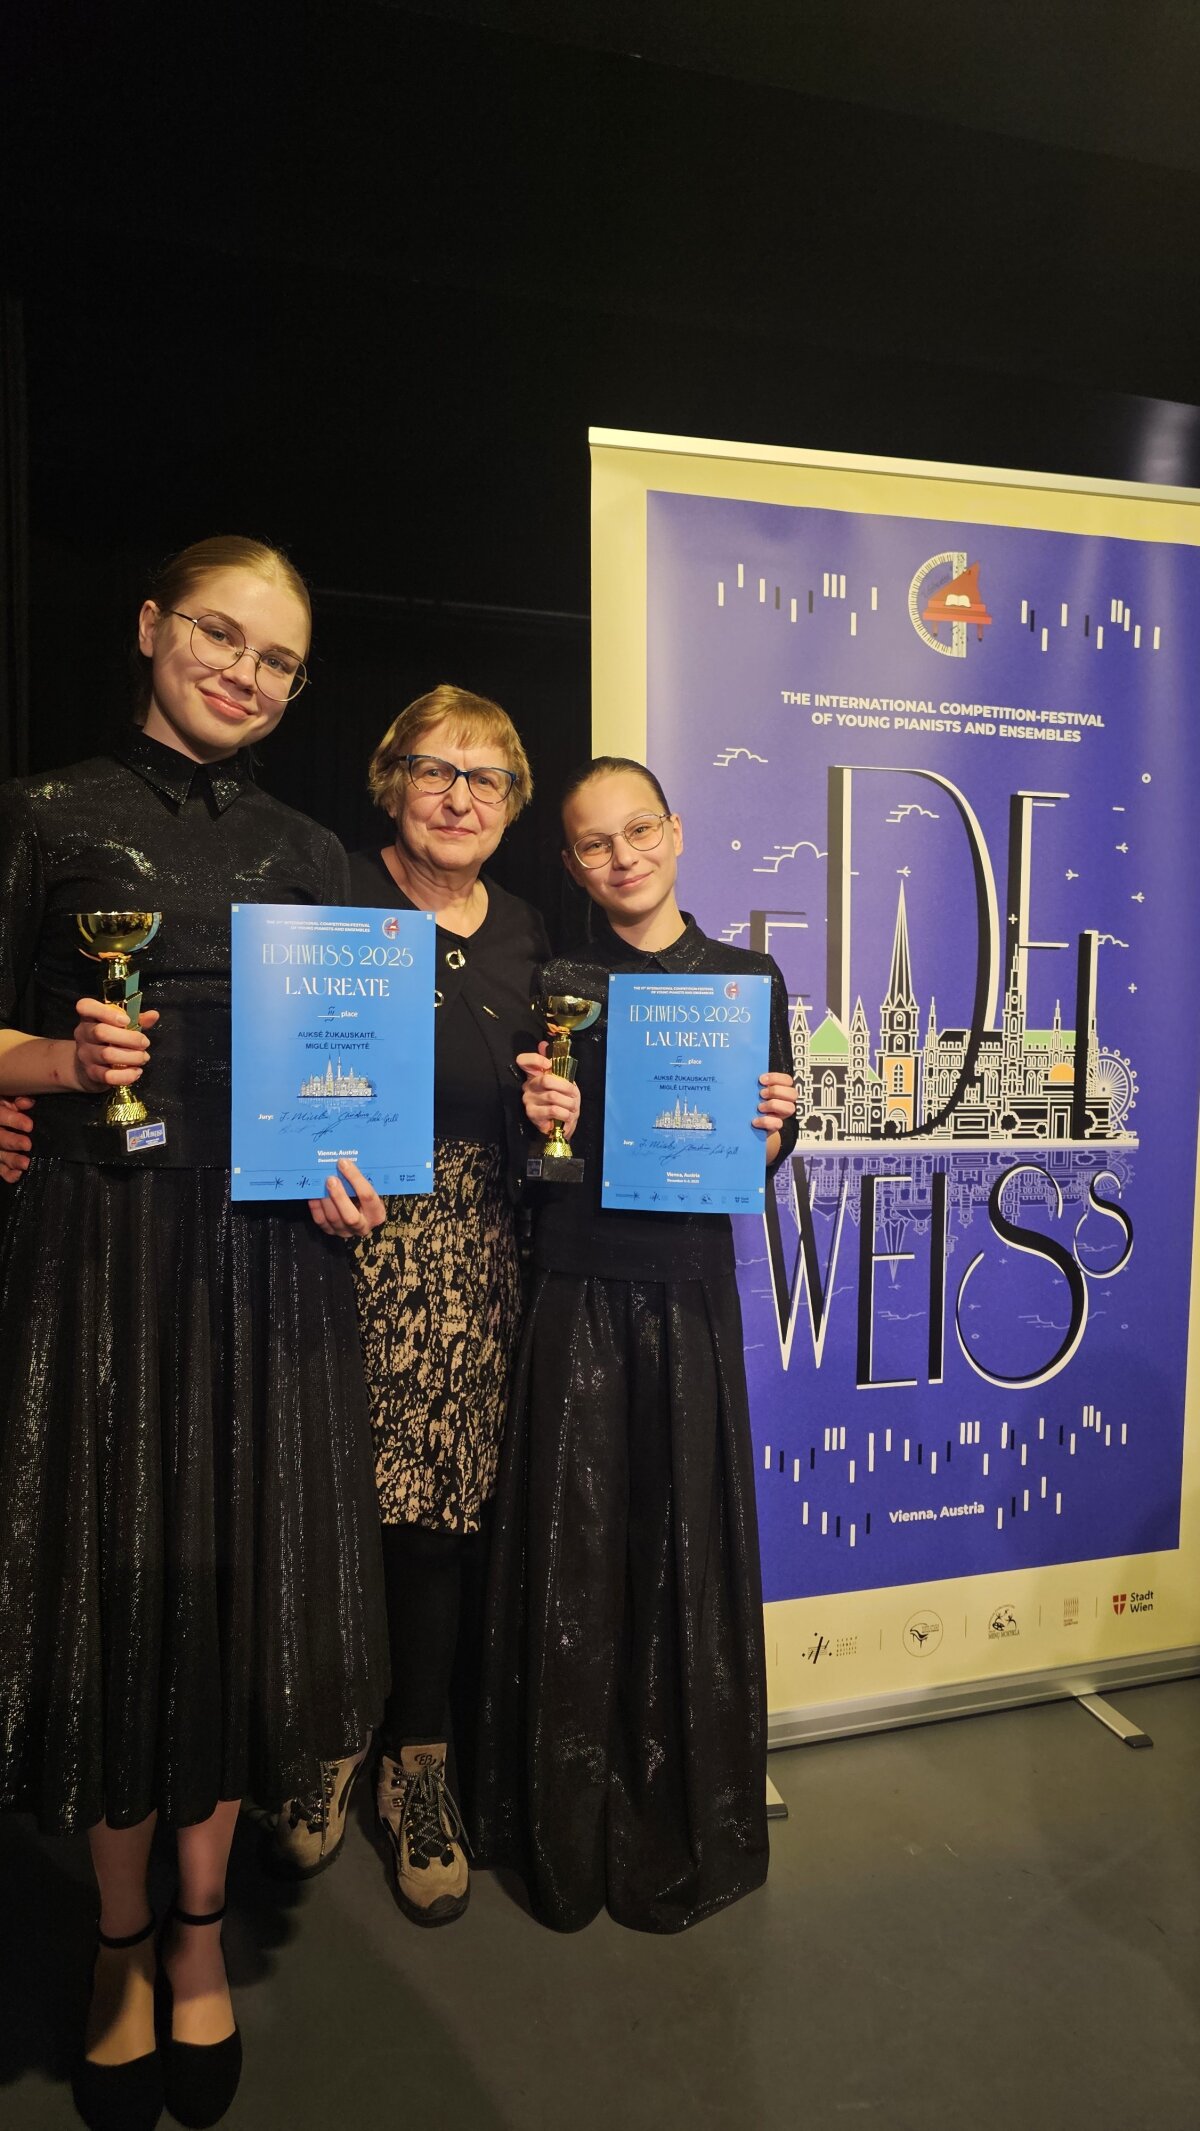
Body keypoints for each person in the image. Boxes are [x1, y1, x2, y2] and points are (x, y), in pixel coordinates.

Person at [0, 537, 391, 2131]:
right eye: (222, 634)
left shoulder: (313, 849)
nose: (245, 671)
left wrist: (360, 1174)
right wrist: (46, 1062)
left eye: (278, 657)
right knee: (114, 1595)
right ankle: (116, 1939)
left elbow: (359, 1068)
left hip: (269, 1264)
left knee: (232, 1594)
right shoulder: (41, 816)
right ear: (153, 624)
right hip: (96, 1260)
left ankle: (200, 1928)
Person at [267, 686, 578, 1928]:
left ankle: (420, 1764)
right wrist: (304, 1172)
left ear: (512, 804)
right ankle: (322, 1738)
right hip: (323, 1238)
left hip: (472, 1254)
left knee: (437, 1525)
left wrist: (554, 1113)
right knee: (322, 1501)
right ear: (389, 780)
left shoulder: (529, 933)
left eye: (485, 778)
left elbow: (540, 1106)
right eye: (435, 770)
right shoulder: (327, 894)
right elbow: (271, 1071)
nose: (459, 797)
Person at [476, 755, 798, 1934]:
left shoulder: (748, 978)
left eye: (639, 831)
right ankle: (561, 1826)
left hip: (689, 1291)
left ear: (676, 831)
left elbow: (766, 1151)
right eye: (594, 842)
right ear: (570, 863)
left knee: (681, 1548)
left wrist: (772, 1134)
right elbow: (532, 1170)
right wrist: (542, 1126)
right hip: (576, 1284)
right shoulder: (556, 982)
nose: (623, 856)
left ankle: (680, 1813)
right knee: (574, 1551)